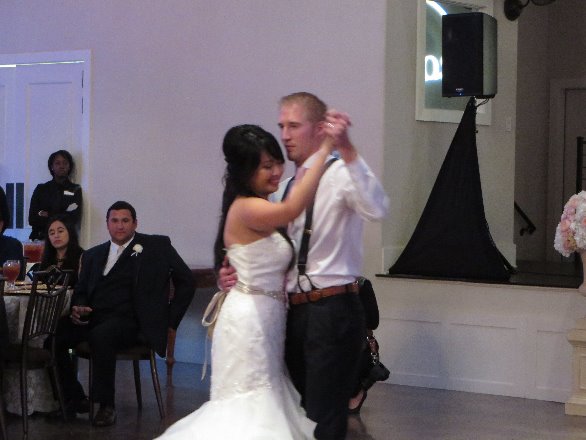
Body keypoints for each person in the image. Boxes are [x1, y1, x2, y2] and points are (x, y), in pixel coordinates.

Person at [220, 92, 389, 439]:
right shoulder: (285, 189)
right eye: (282, 126)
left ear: (319, 128)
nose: (284, 135)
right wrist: (237, 272)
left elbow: (377, 208)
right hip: (292, 313)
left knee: (323, 418)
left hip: (332, 308)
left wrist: (347, 149)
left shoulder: (341, 174)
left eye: (293, 126)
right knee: (295, 414)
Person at [156, 124, 334, 440]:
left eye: (277, 163)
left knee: (265, 401)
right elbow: (293, 209)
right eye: (266, 166)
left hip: (269, 316)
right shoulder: (248, 207)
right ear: (245, 171)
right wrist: (324, 150)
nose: (276, 171)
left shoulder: (257, 205)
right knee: (248, 406)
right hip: (249, 320)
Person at [50, 201, 195, 426]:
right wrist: (79, 306)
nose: (120, 226)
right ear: (107, 224)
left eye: (125, 221)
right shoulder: (93, 255)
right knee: (55, 336)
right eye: (114, 221)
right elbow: (81, 290)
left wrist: (170, 320)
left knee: (102, 335)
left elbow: (187, 281)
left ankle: (106, 406)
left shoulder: (156, 247)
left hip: (132, 322)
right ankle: (72, 398)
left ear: (135, 223)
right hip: (94, 318)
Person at [28, 149, 82, 240]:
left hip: (64, 239)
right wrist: (61, 214)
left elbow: (72, 219)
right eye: (57, 163)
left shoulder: (75, 190)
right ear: (52, 167)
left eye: (65, 163)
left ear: (69, 167)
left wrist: (47, 214)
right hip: (40, 238)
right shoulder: (41, 189)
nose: (62, 166)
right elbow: (32, 219)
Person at [39, 214, 84, 286]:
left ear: (70, 233)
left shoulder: (83, 257)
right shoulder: (47, 259)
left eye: (60, 231)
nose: (56, 236)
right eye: (52, 233)